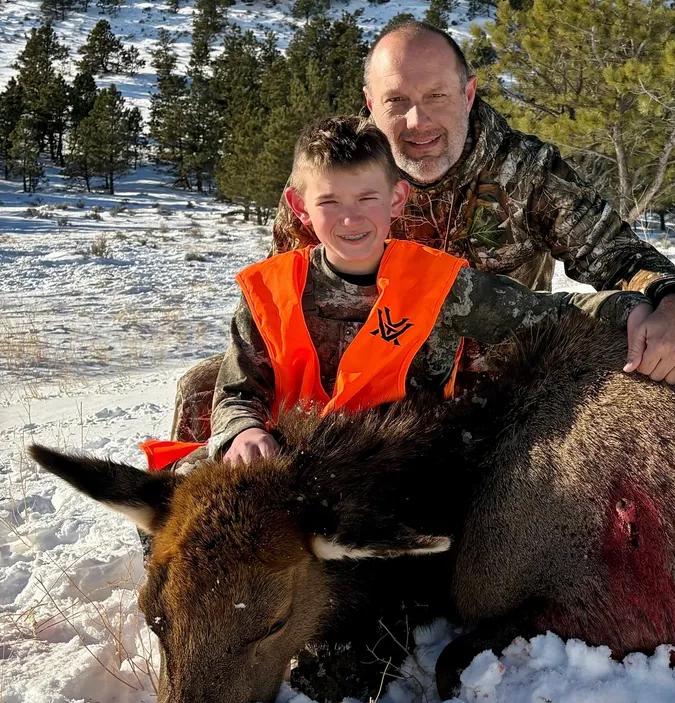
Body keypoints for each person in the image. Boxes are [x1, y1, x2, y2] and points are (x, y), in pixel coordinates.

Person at [169, 19, 675, 444]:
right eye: (396, 100)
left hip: (488, 387)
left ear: (468, 92)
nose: (416, 122)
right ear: (370, 100)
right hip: (358, 387)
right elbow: (286, 309)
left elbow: (618, 255)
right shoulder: (330, 183)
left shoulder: (525, 172)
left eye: (437, 97)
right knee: (202, 394)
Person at [144, 116, 649, 471]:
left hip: (393, 473)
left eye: (368, 197)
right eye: (330, 202)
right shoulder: (270, 292)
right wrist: (243, 433)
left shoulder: (440, 286)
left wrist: (641, 307)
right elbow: (236, 392)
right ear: (299, 208)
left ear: (397, 198)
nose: (351, 218)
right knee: (188, 485)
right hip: (290, 465)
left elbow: (550, 314)